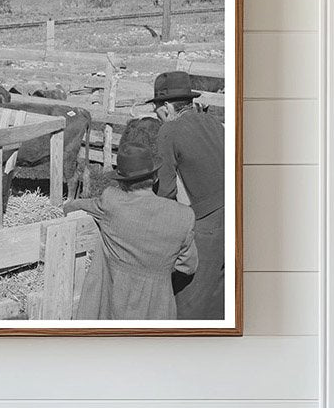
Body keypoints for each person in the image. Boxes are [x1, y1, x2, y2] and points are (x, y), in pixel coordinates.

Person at [65, 143, 197, 320]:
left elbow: (76, 206)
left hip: (115, 300)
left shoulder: (112, 201)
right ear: (156, 177)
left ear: (121, 182)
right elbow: (188, 266)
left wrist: (67, 206)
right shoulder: (183, 215)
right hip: (158, 306)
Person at [150, 70, 226, 320]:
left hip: (208, 225)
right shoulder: (214, 121)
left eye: (158, 109)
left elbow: (166, 192)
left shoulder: (168, 131)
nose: (157, 115)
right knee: (221, 292)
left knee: (190, 300)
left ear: (168, 107)